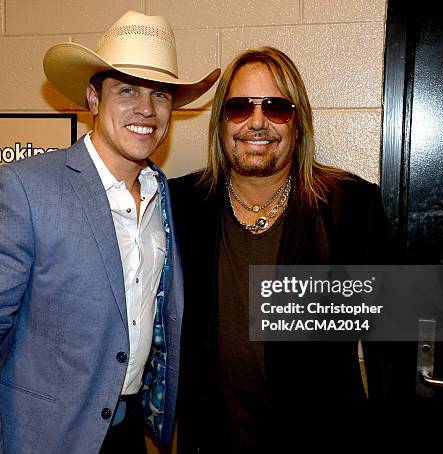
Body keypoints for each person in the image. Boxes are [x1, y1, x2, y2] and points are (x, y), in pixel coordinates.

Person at [0, 10, 219, 454]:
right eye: (127, 90)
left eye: (160, 94)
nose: (146, 109)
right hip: (37, 439)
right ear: (94, 98)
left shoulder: (165, 197)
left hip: (126, 435)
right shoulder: (24, 189)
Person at [169, 47, 390, 452]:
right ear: (220, 124)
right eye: (239, 107)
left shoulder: (349, 207)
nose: (256, 122)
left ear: (298, 122)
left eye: (276, 107)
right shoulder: (181, 204)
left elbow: (389, 349)